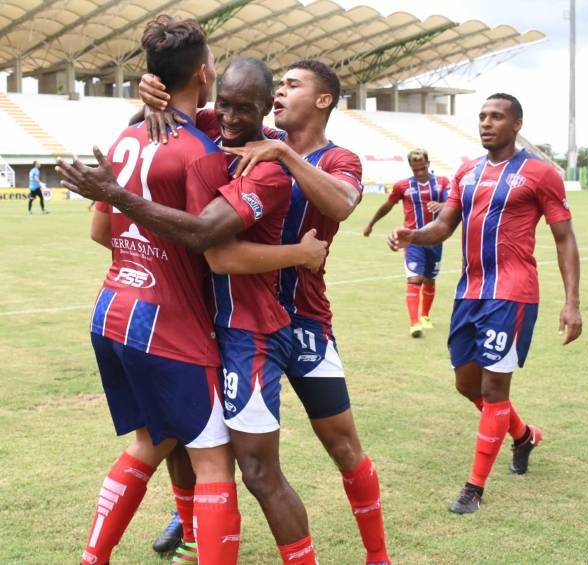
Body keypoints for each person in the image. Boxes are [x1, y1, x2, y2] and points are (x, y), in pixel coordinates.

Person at [60, 57, 329, 565]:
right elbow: (173, 114)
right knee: (175, 442)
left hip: (248, 332)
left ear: (265, 108)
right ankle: (188, 539)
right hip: (198, 325)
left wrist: (300, 253)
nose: (228, 117)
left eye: (243, 108)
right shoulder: (206, 126)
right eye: (223, 104)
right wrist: (149, 96)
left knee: (256, 472)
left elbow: (218, 252)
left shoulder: (268, 167)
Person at [138, 58, 392, 565]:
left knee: (343, 446)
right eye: (278, 85)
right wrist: (150, 93)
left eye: (292, 85)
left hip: (306, 321)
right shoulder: (247, 129)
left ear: (323, 99)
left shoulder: (338, 158)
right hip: (239, 320)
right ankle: (191, 523)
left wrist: (283, 153)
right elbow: (177, 115)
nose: (280, 93)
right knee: (204, 437)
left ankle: (378, 555)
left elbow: (342, 203)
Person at [57, 16, 243, 565]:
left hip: (112, 311)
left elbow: (101, 231)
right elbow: (214, 248)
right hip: (170, 323)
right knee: (214, 462)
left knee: (149, 443)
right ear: (203, 74)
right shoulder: (200, 152)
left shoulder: (125, 138)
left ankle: (93, 558)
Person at [388, 93, 582, 514]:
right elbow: (444, 225)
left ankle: (473, 489)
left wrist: (572, 302)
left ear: (517, 125)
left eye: (496, 116)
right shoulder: (467, 172)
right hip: (469, 292)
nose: (486, 123)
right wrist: (412, 235)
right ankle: (524, 435)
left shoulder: (540, 173)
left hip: (512, 293)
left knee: (494, 389)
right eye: (482, 116)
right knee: (467, 384)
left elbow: (564, 237)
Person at [363, 149, 449, 337]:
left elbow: (453, 203)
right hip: (412, 239)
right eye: (415, 169)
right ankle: (414, 323)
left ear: (428, 163)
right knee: (414, 278)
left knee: (430, 279)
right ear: (411, 167)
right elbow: (387, 205)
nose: (420, 172)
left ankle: (425, 315)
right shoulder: (402, 186)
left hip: (435, 238)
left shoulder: (442, 182)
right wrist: (371, 223)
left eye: (423, 168)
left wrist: (441, 205)